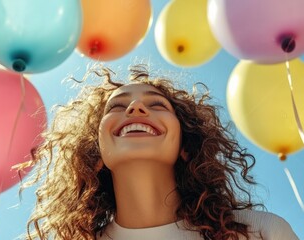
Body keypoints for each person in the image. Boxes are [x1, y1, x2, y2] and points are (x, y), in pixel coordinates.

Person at [18, 64, 299, 240]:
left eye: (158, 106)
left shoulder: (260, 233)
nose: (135, 109)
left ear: (187, 147)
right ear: (96, 153)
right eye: (117, 107)